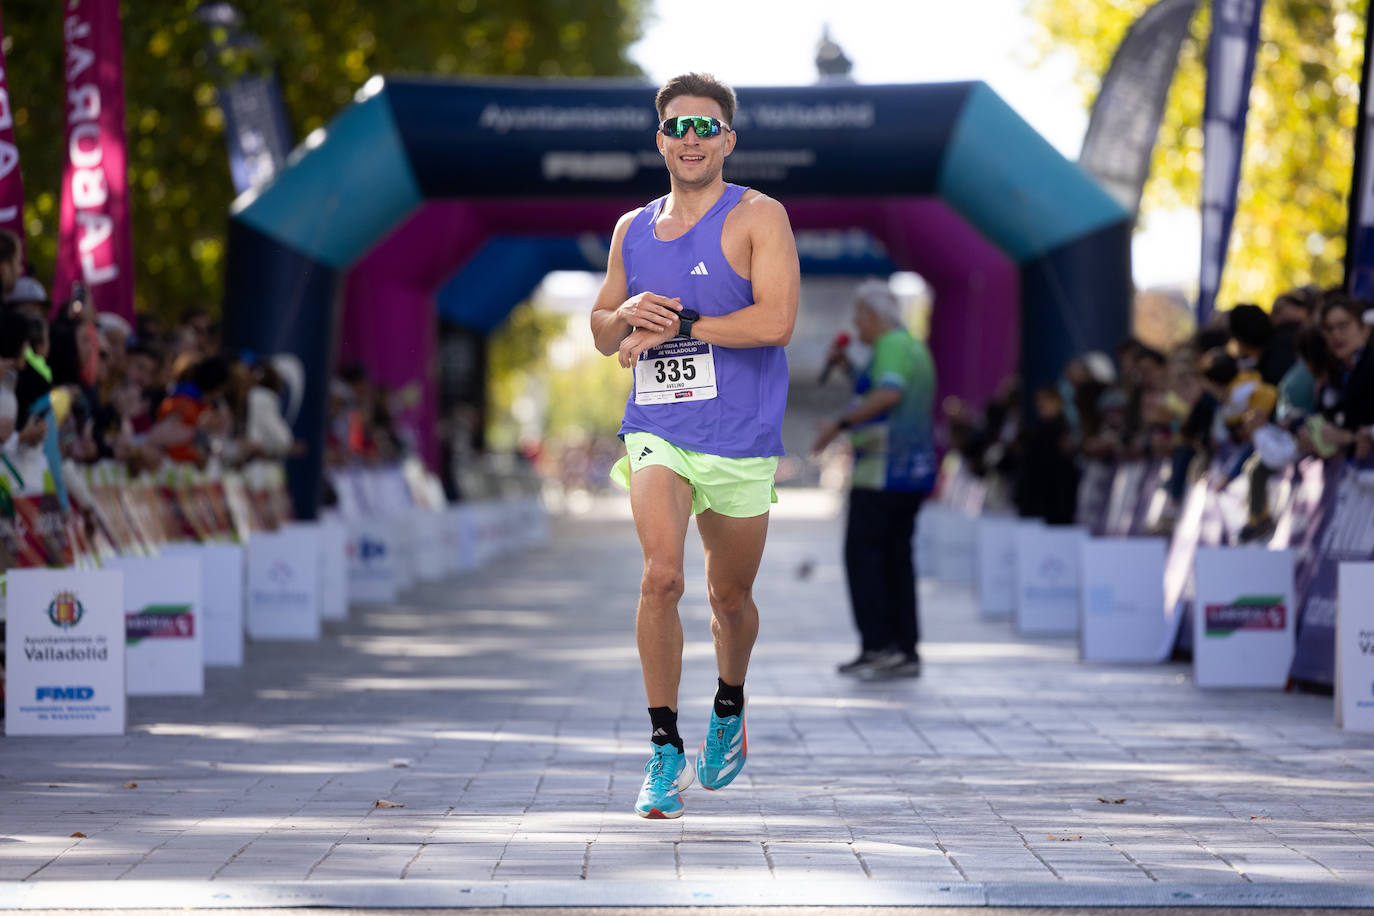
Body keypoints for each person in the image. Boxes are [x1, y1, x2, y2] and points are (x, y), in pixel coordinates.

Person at [589, 72, 799, 819]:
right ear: (660, 140)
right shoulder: (632, 228)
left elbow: (776, 323)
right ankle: (662, 746)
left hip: (741, 436)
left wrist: (681, 327)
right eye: (677, 127)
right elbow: (601, 325)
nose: (690, 139)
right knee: (661, 579)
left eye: (705, 128)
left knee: (729, 597)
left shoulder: (760, 217)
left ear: (727, 141)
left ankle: (729, 706)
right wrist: (624, 320)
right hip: (658, 428)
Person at [811, 279, 936, 680]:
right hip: (910, 473)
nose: (855, 324)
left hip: (882, 473)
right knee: (896, 560)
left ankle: (878, 645)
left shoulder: (891, 346)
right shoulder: (911, 346)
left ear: (872, 314)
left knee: (865, 558)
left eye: (858, 315)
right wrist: (848, 368)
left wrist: (839, 423)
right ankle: (902, 648)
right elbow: (878, 387)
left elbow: (888, 395)